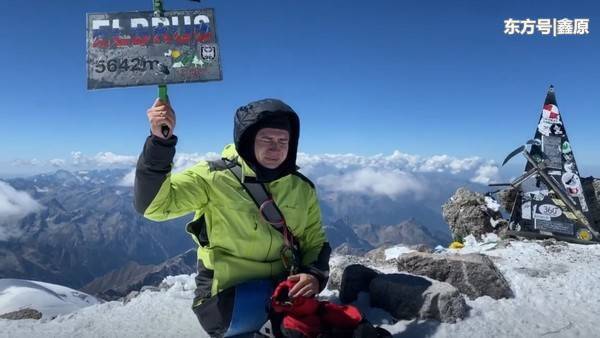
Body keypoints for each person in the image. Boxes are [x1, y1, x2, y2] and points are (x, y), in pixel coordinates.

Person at [134, 98, 331, 337]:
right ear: (247, 140)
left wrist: (313, 275)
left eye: (283, 141)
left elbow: (314, 241)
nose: (275, 148)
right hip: (226, 294)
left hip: (282, 285)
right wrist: (160, 143)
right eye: (266, 139)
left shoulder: (301, 188)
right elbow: (154, 206)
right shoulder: (213, 177)